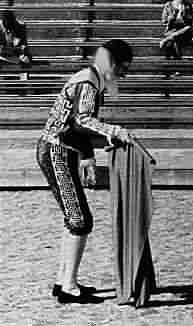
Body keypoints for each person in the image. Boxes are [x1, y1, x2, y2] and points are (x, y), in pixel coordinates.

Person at [36, 39, 133, 304]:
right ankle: (68, 286)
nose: (123, 74)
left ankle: (64, 280)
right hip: (57, 150)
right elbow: (82, 122)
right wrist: (115, 131)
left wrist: (87, 156)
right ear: (112, 63)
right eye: (123, 68)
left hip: (60, 148)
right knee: (80, 220)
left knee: (75, 218)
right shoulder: (89, 81)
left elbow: (74, 126)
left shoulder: (90, 78)